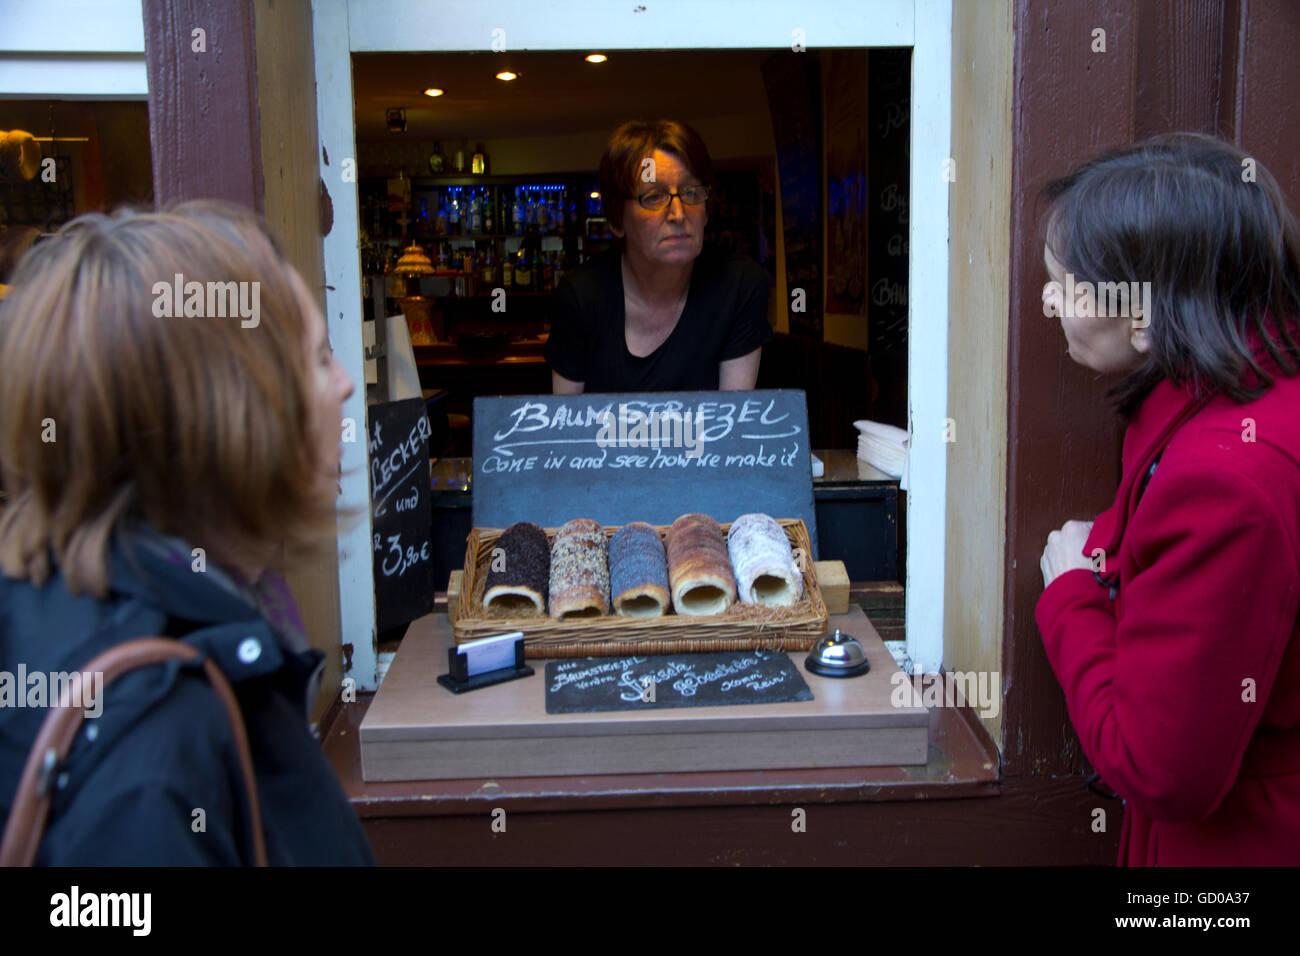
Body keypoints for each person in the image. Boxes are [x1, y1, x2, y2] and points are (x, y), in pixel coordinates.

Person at [0, 202, 375, 865]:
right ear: (230, 412)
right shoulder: (152, 755)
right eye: (317, 359)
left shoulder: (94, 614)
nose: (345, 384)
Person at [1035, 133, 1300, 865]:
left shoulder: (1225, 481)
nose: (1048, 300)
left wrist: (1072, 596)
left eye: (1070, 284)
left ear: (1150, 312)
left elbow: (1160, 767)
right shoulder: (1241, 404)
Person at [545, 119, 772, 393]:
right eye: (653, 197)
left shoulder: (739, 286)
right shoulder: (581, 295)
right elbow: (565, 429)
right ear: (617, 221)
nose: (678, 214)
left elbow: (732, 422)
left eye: (691, 193)